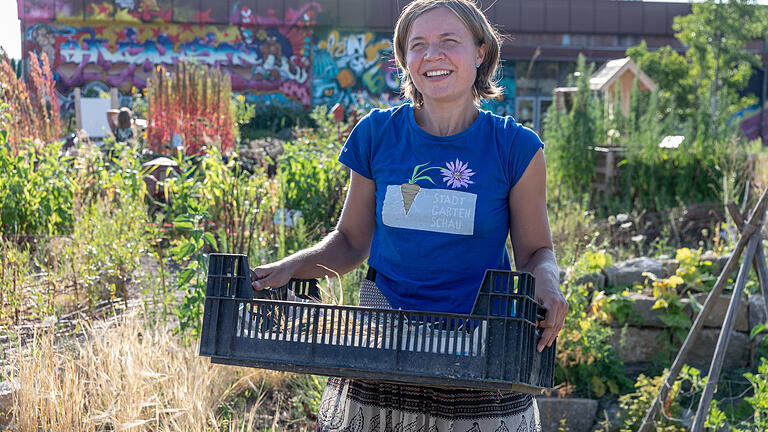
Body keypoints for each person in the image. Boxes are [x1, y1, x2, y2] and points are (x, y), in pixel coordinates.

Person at [251, 1, 568, 430]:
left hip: (480, 357)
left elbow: (534, 251)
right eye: (418, 45)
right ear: (404, 60)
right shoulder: (377, 134)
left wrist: (547, 279)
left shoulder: (516, 147)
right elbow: (350, 241)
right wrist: (293, 265)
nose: (432, 55)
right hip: (384, 352)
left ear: (480, 53)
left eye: (448, 42)